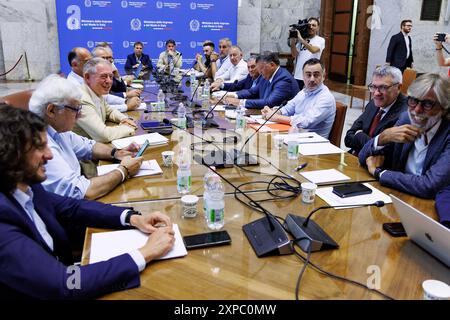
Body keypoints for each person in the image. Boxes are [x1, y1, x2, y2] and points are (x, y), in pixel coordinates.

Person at [0, 105, 175, 299]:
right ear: (11, 156)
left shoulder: (24, 186)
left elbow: (72, 207)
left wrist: (133, 218)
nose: (49, 155)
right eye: (39, 148)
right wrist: (145, 253)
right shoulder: (3, 223)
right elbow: (65, 283)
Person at [29, 74, 143, 200]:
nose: (80, 115)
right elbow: (81, 192)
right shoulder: (41, 145)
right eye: (75, 109)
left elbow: (89, 146)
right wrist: (124, 170)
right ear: (51, 110)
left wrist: (116, 153)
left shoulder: (58, 130)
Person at [359, 73, 450, 199]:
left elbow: (430, 186)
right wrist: (383, 138)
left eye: (427, 104)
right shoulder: (406, 119)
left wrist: (380, 173)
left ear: (444, 107)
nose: (417, 110)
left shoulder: (447, 133)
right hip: (400, 198)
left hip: (432, 208)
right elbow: (363, 157)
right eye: (413, 101)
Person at [261, 58, 335, 138]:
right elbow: (288, 108)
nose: (312, 79)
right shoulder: (303, 92)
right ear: (303, 76)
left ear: (323, 76)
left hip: (313, 144)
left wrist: (277, 117)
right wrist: (274, 111)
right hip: (295, 136)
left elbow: (306, 122)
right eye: (308, 75)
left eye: (316, 75)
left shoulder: (326, 97)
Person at [345, 66, 407, 155]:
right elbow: (348, 138)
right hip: (354, 156)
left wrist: (359, 136)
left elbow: (384, 153)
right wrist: (373, 142)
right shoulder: (373, 104)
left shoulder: (405, 114)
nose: (377, 93)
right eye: (374, 86)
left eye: (383, 87)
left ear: (399, 87)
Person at [73, 58, 137, 143]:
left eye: (110, 76)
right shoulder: (81, 99)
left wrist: (124, 119)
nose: (109, 81)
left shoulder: (96, 91)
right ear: (87, 77)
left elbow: (109, 111)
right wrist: (128, 128)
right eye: (103, 76)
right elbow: (103, 135)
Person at [68, 47, 140, 113]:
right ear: (74, 64)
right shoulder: (73, 85)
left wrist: (125, 101)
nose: (91, 64)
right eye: (87, 61)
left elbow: (103, 97)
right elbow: (96, 109)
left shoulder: (87, 76)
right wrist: (126, 106)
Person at [224, 52, 299, 109]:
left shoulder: (283, 79)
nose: (259, 72)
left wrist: (240, 102)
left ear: (272, 65)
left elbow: (270, 102)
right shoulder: (267, 75)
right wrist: (234, 95)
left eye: (261, 68)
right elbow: (252, 91)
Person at [290, 17, 325, 91]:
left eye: (314, 25)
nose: (311, 27)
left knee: (311, 97)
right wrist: (292, 42)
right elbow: (294, 55)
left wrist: (301, 39)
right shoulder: (301, 40)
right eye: (309, 25)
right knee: (296, 96)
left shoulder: (320, 40)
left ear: (318, 28)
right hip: (299, 74)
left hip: (311, 75)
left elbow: (313, 50)